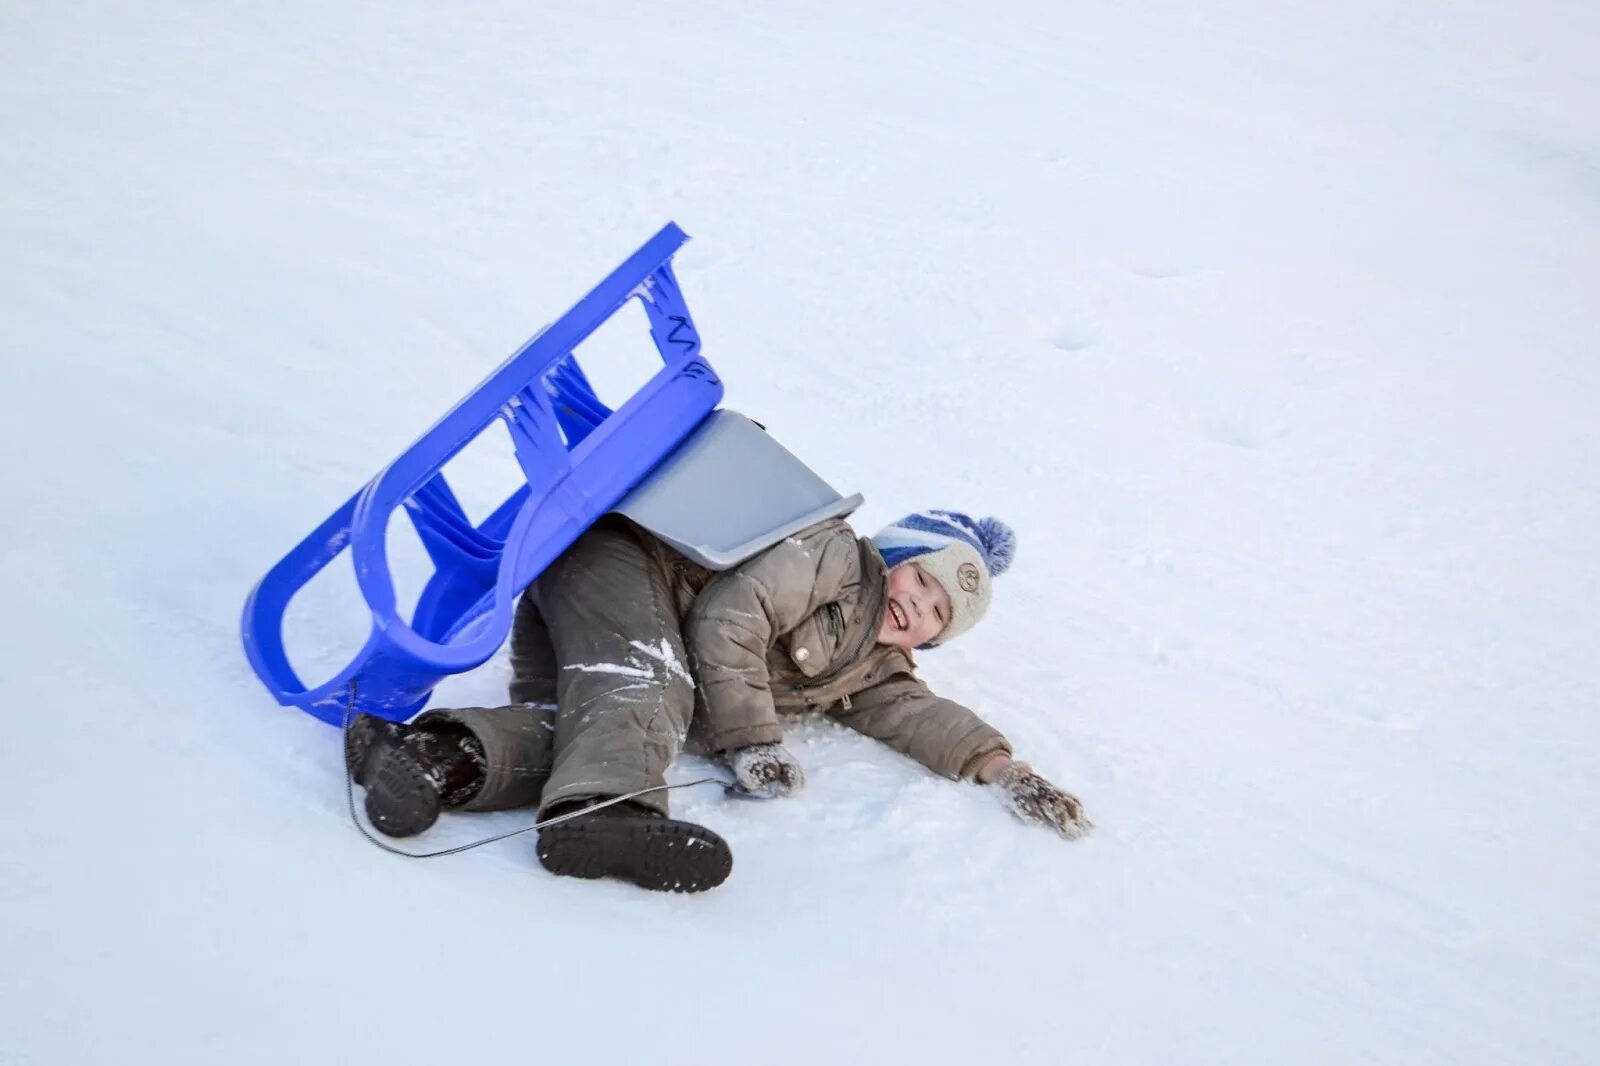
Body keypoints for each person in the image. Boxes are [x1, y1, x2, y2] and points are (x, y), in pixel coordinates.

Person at [345, 509, 1092, 892]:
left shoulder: (874, 667)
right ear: (894, 556)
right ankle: (610, 815)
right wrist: (751, 739)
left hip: (623, 654)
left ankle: (421, 759)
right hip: (617, 566)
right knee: (651, 687)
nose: (919, 608)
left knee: (602, 732)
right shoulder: (833, 557)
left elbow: (918, 716)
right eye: (921, 581)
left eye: (937, 617)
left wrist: (1005, 769)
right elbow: (729, 617)